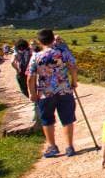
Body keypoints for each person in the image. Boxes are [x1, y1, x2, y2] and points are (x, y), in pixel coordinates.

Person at [27, 28, 78, 158]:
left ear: (39, 41)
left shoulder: (35, 57)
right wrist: (74, 81)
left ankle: (52, 147)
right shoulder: (62, 52)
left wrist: (32, 93)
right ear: (52, 38)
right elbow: (73, 66)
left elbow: (30, 77)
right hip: (64, 89)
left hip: (45, 93)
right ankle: (69, 147)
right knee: (67, 118)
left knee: (47, 120)